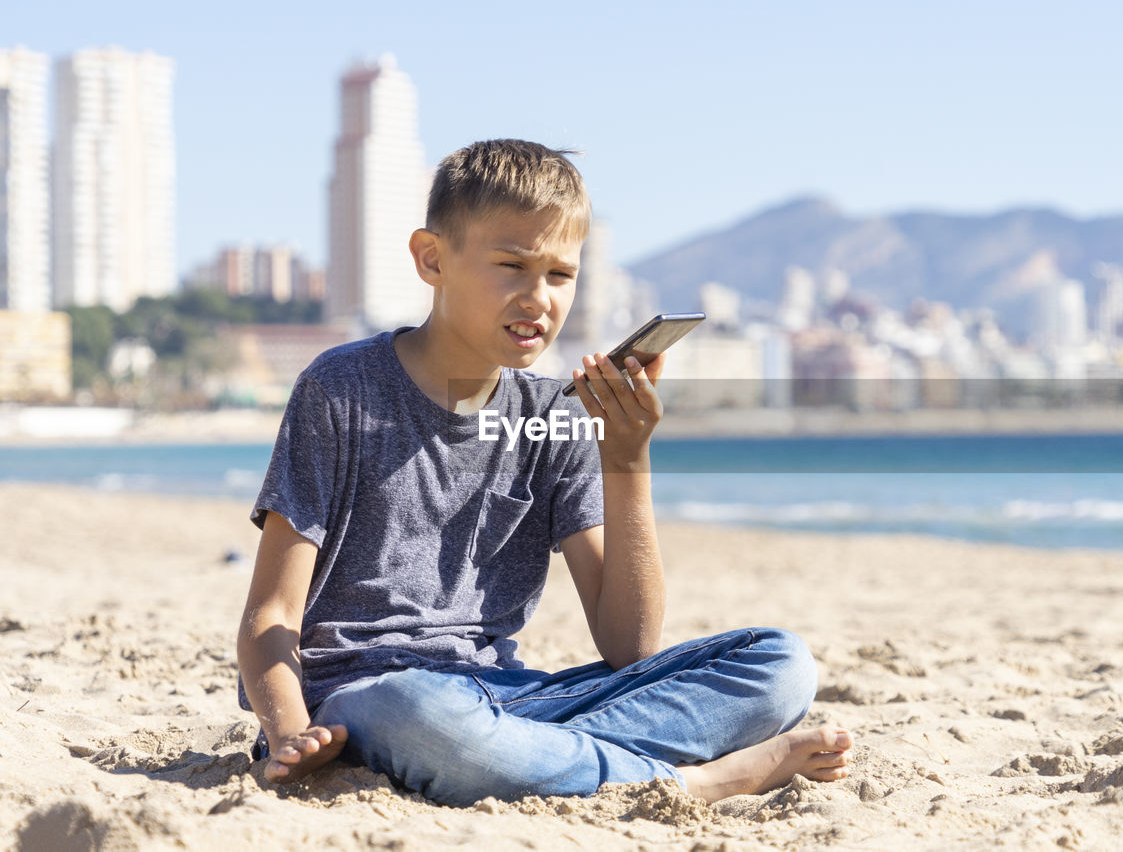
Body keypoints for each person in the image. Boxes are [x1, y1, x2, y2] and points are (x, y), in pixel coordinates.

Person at [236, 139, 852, 807]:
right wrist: (291, 734)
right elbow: (270, 613)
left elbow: (629, 644)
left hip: (513, 701)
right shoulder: (340, 390)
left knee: (781, 664)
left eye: (560, 275)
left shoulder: (556, 413)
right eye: (512, 267)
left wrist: (626, 460)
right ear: (431, 258)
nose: (538, 298)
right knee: (412, 708)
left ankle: (537, 759)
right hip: (366, 702)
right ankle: (692, 780)